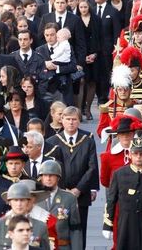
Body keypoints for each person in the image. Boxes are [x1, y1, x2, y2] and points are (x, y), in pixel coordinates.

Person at [46, 106, 98, 248]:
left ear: (79, 121)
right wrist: (63, 190)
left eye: (74, 119)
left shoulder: (87, 140)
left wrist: (79, 189)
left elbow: (92, 167)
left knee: (79, 229)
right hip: (59, 193)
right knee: (58, 229)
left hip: (80, 194)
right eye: (67, 119)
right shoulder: (52, 141)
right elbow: (51, 168)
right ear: (61, 120)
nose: (71, 122)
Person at [0, 182, 51, 250]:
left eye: (22, 200)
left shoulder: (40, 226)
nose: (19, 204)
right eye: (15, 200)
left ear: (28, 202)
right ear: (9, 202)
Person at [37, 160, 83, 250]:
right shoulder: (35, 199)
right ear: (41, 178)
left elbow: (75, 229)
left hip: (62, 246)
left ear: (58, 177)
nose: (48, 178)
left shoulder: (69, 198)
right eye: (45, 175)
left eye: (52, 175)